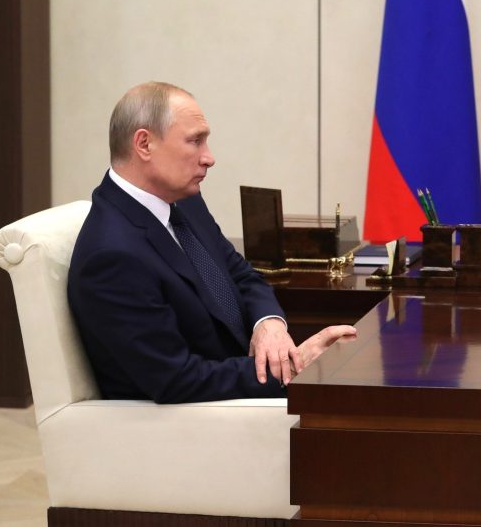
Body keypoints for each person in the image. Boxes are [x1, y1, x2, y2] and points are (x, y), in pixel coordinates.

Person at [68, 82, 356, 402]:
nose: (209, 158)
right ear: (144, 144)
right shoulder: (112, 255)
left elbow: (240, 274)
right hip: (197, 416)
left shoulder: (184, 202)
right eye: (195, 141)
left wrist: (268, 324)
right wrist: (293, 366)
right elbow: (175, 379)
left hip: (235, 387)